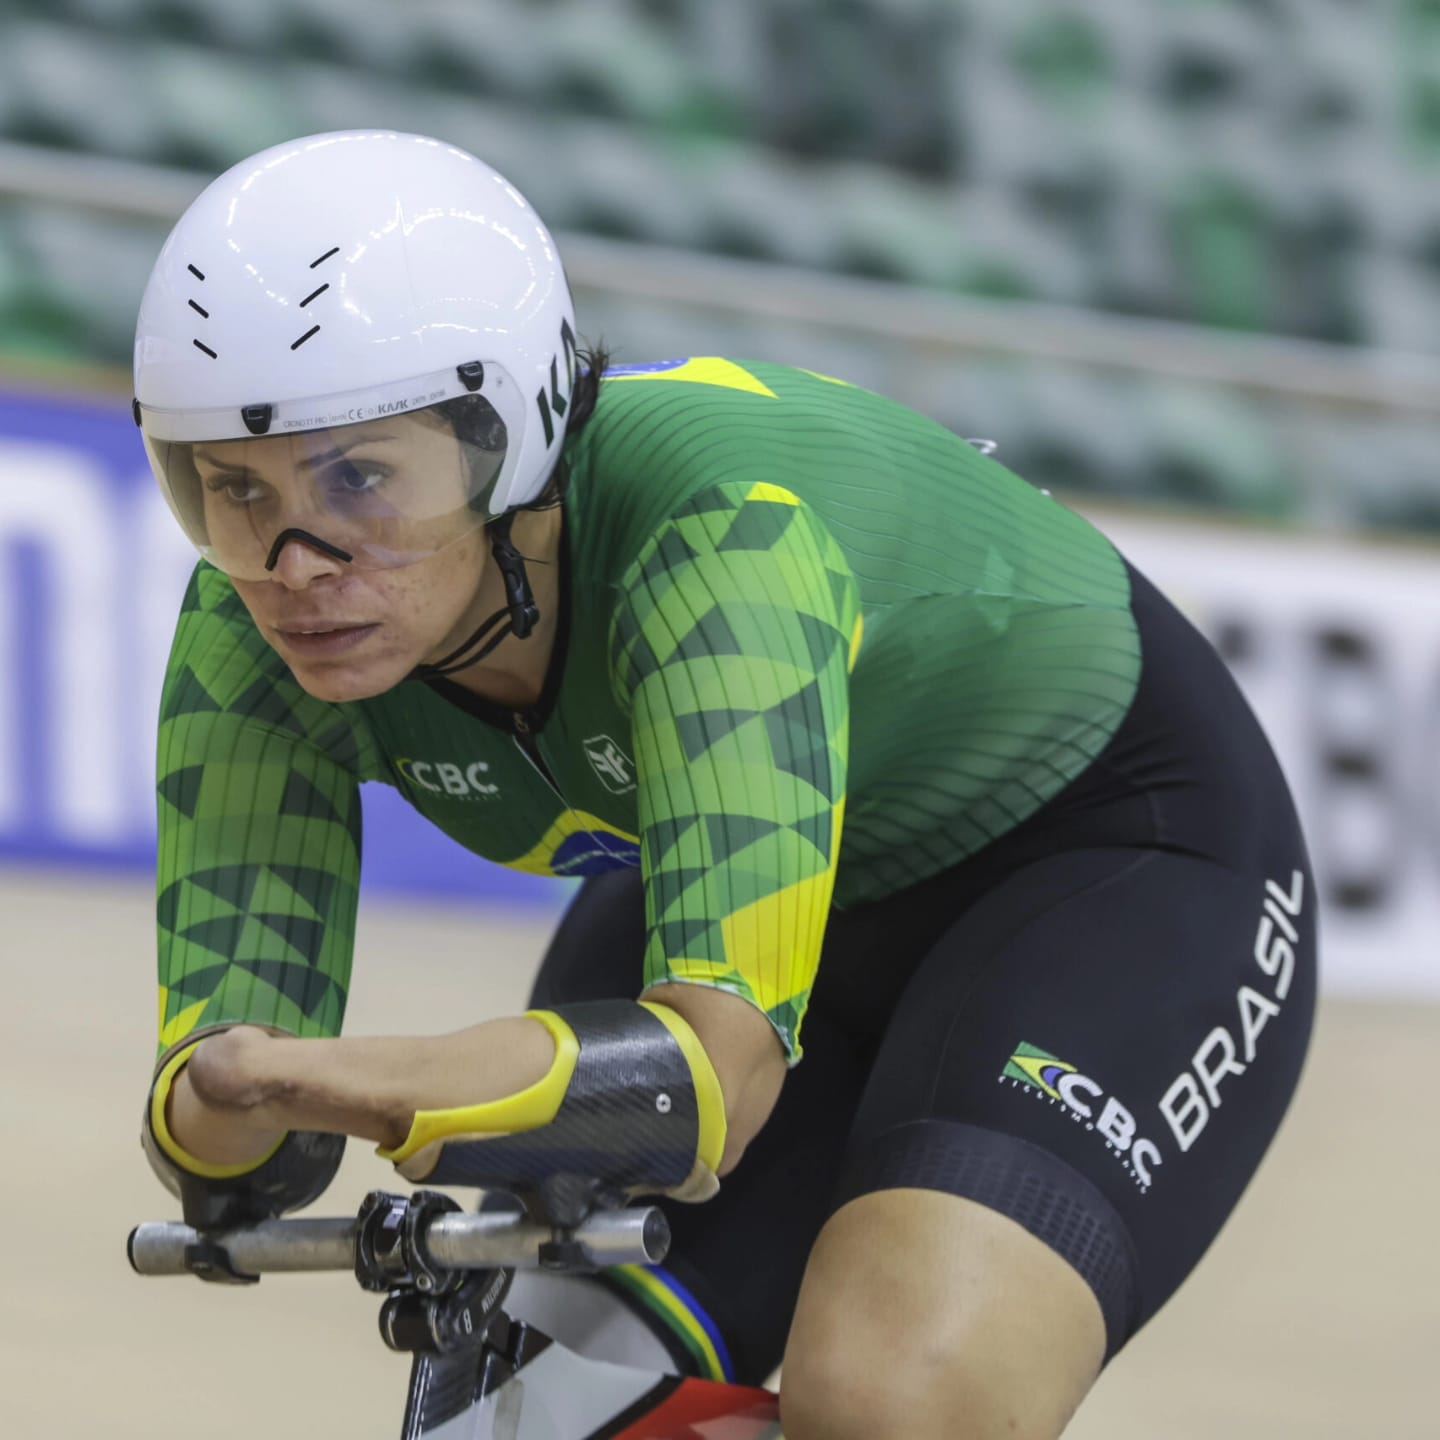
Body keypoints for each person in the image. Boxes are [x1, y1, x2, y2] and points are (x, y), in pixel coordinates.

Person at [135, 130, 1316, 1440]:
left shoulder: (716, 531)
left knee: (885, 1406)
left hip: (1105, 864)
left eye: (360, 478)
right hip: (769, 890)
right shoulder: (243, 631)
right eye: (227, 491)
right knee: (506, 1423)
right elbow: (233, 1148)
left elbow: (704, 1085)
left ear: (512, 436)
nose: (297, 561)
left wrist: (345, 1079)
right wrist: (233, 1098)